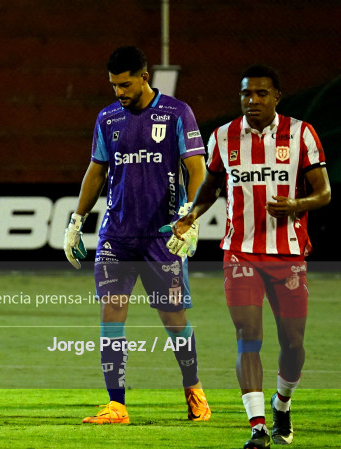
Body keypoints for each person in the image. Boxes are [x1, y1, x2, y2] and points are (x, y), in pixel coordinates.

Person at [169, 65, 331, 449]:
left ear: (277, 96)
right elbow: (209, 188)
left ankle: (282, 404)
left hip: (288, 254)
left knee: (293, 344)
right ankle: (258, 426)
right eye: (246, 94)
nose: (252, 101)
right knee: (248, 337)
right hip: (239, 253)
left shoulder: (302, 133)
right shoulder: (224, 137)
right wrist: (190, 216)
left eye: (261, 94)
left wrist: (296, 203)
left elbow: (324, 193)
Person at [63, 46, 210, 424]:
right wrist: (76, 221)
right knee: (111, 314)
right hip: (117, 236)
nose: (119, 93)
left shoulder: (177, 113)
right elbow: (96, 171)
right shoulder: (107, 117)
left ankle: (194, 390)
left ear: (145, 77)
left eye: (125, 84)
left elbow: (197, 169)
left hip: (162, 236)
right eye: (113, 85)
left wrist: (189, 216)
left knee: (172, 318)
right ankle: (117, 404)